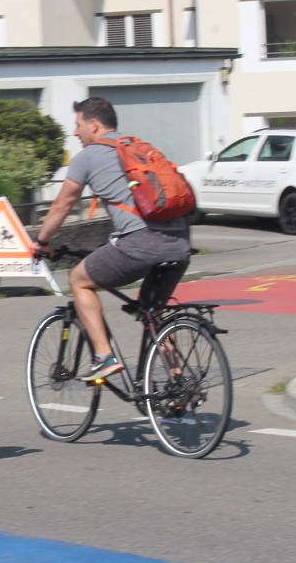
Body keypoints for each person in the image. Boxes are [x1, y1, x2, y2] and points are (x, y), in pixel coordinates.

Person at [30, 97, 192, 380]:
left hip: (140, 244)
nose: (75, 132)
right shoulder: (140, 149)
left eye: (78, 125)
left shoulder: (88, 157)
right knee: (153, 313)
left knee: (79, 280)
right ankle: (178, 380)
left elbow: (62, 205)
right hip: (179, 243)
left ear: (94, 124)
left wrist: (41, 242)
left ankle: (104, 356)